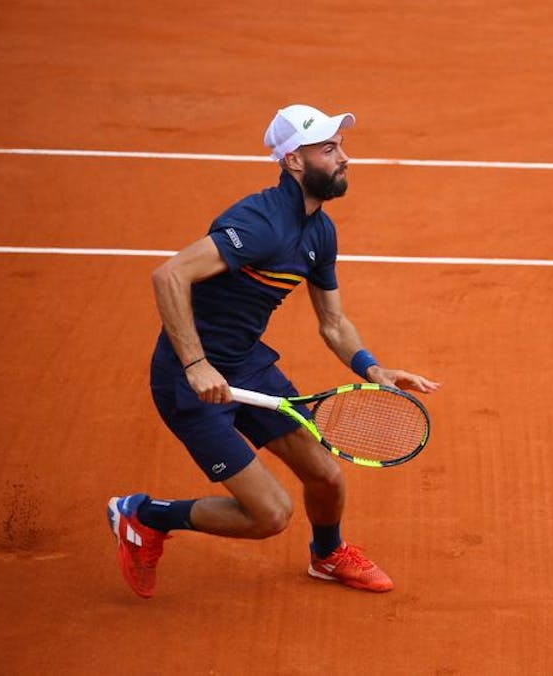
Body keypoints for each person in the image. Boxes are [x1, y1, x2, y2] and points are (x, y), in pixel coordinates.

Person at [107, 104, 440, 598]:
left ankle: (327, 555)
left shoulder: (320, 231)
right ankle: (144, 515)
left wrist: (372, 367)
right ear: (294, 162)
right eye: (329, 149)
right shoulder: (259, 222)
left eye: (341, 146)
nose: (344, 158)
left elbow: (333, 321)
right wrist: (196, 365)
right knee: (270, 515)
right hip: (189, 381)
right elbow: (170, 275)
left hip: (245, 365)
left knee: (325, 476)